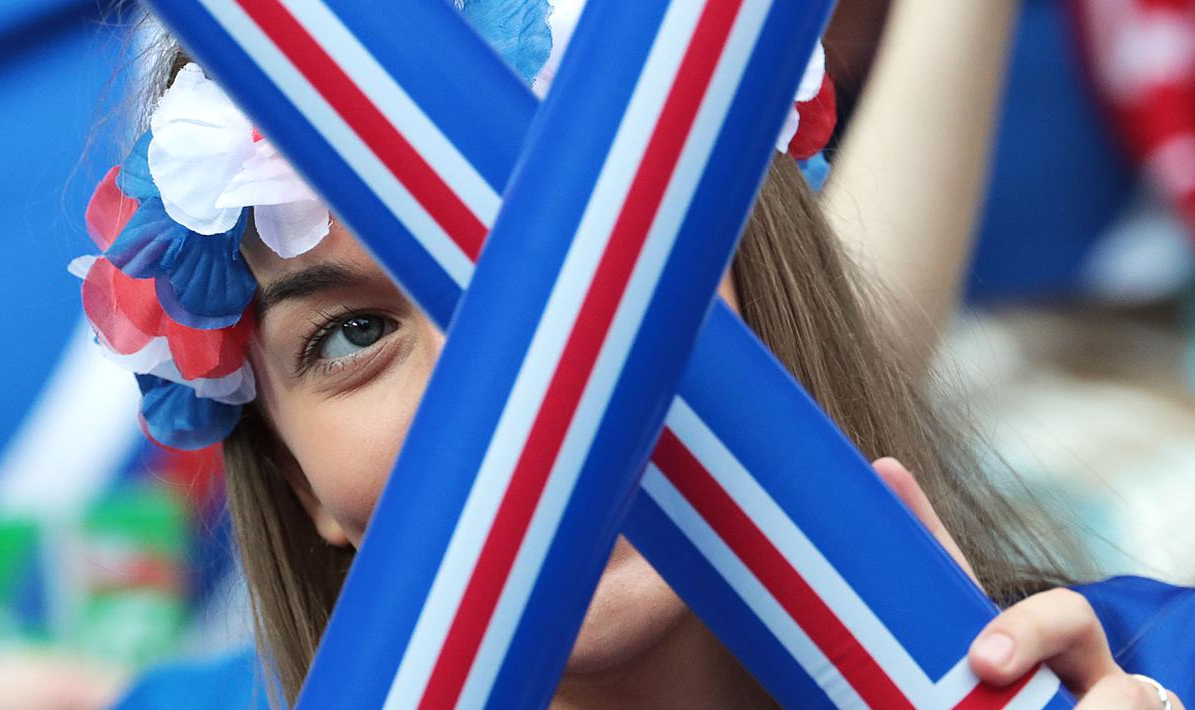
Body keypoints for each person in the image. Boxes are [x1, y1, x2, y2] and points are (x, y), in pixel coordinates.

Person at [90, 2, 1192, 708]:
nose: (522, 386)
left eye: (584, 255)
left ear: (761, 272)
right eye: (353, 333)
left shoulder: (1150, 664)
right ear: (294, 475)